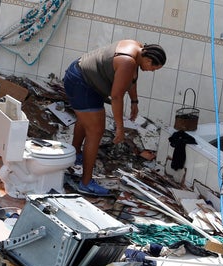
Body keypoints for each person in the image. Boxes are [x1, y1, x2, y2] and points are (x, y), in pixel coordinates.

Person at [63, 40, 166, 195]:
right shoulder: (128, 62)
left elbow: (131, 79)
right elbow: (117, 97)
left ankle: (76, 155)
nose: (151, 71)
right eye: (153, 68)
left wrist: (134, 101)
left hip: (84, 77)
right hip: (82, 82)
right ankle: (85, 183)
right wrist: (120, 127)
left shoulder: (137, 49)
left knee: (87, 121)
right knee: (96, 131)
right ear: (148, 60)